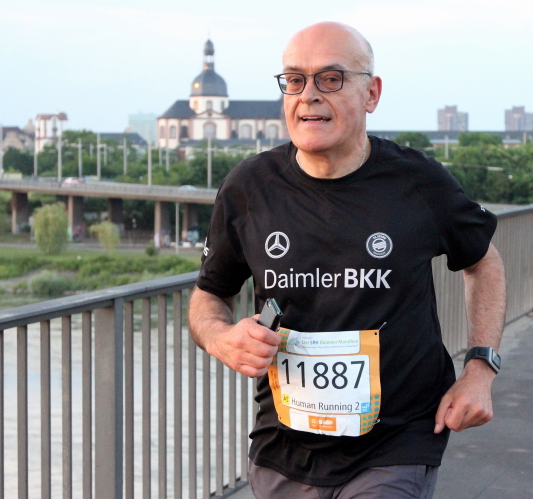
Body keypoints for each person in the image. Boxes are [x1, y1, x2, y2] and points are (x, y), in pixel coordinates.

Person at [188, 22, 506, 498]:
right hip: (283, 448)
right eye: (295, 79)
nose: (309, 95)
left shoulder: (418, 183)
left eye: (331, 78)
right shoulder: (249, 188)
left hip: (396, 442)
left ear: (371, 93)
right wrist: (221, 338)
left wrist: (480, 368)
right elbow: (210, 295)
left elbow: (484, 263)